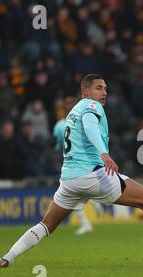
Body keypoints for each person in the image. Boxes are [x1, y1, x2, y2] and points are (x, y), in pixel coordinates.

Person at [0, 74, 143, 268]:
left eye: (105, 89)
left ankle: (6, 258)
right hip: (93, 175)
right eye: (98, 88)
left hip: (69, 180)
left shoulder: (72, 112)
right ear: (85, 91)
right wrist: (104, 153)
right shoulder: (91, 107)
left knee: (46, 224)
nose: (104, 92)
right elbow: (90, 126)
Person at [52, 96, 94, 235]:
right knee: (75, 195)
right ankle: (93, 205)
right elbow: (57, 146)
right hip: (68, 163)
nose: (69, 106)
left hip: (80, 164)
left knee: (72, 195)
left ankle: (93, 204)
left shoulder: (79, 122)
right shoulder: (61, 125)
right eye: (67, 104)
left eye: (71, 103)